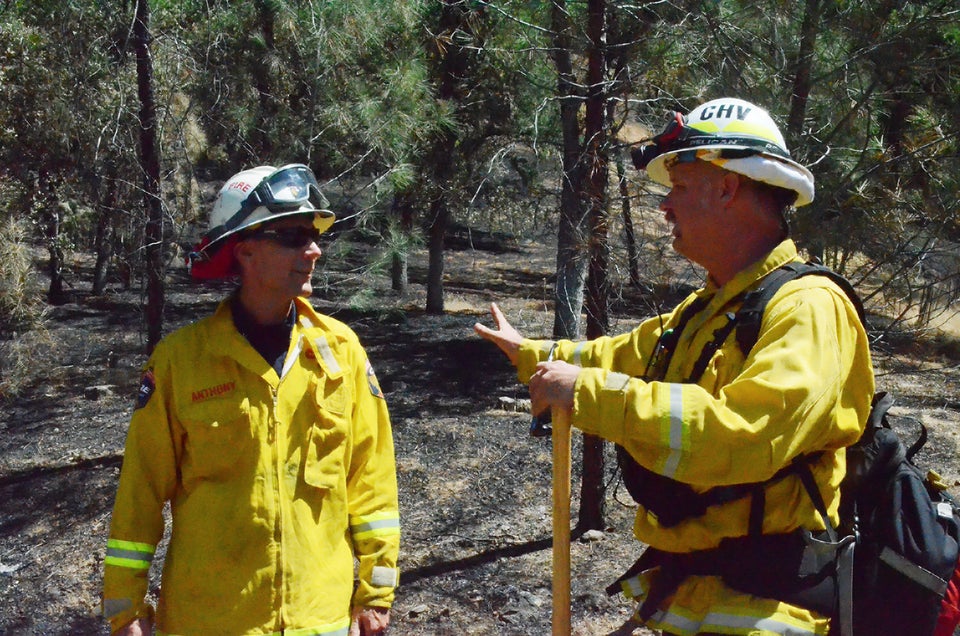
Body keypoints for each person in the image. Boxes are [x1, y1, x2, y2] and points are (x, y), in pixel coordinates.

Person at [474, 98, 875, 635]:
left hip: (767, 608)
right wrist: (533, 355)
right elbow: (623, 355)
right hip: (702, 591)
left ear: (727, 188)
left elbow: (744, 434)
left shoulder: (809, 309)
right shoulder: (711, 308)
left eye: (680, 187)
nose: (665, 206)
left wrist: (586, 393)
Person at [102, 164, 400, 636]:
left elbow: (373, 480)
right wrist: (124, 607)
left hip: (318, 620)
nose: (314, 250)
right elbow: (140, 492)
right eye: (294, 237)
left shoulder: (342, 352)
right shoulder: (181, 361)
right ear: (245, 252)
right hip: (211, 622)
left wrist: (377, 591)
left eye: (313, 236)